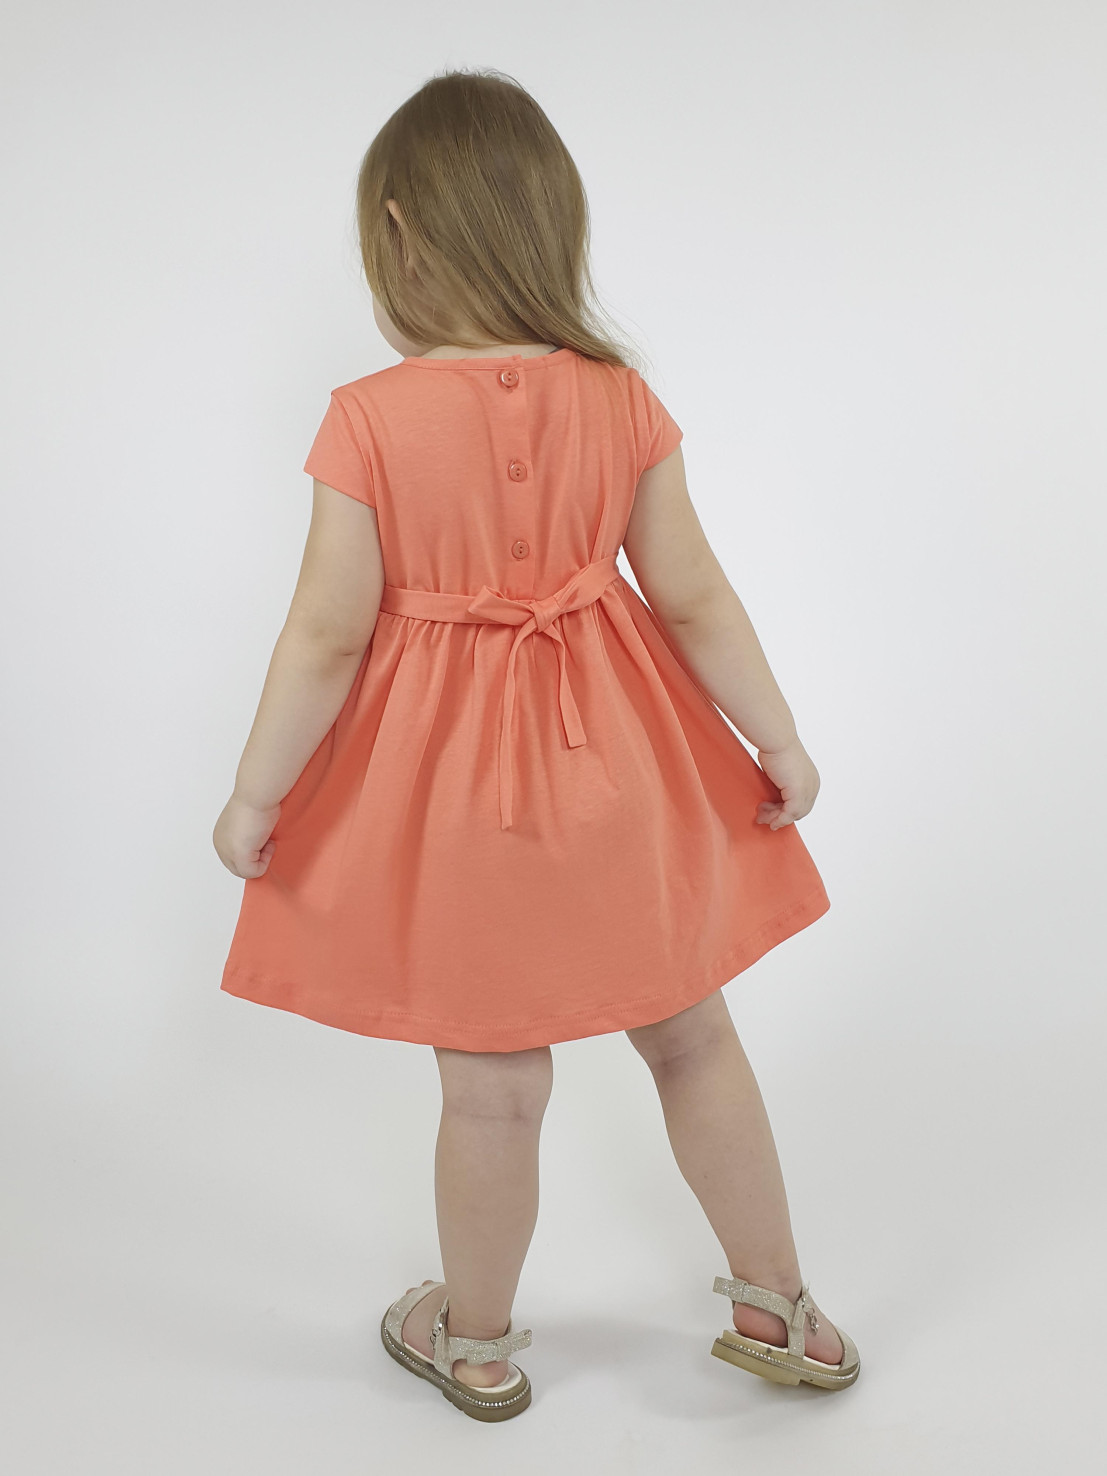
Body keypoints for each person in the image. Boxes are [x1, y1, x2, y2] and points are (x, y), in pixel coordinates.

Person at [212, 67, 860, 1422]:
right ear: (551, 225)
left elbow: (324, 636)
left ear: (399, 231)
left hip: (458, 809)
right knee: (693, 1039)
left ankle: (480, 1344)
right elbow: (692, 593)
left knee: (494, 1086)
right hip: (626, 776)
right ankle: (780, 1307)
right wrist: (779, 739)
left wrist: (256, 796)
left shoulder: (368, 419)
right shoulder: (621, 398)